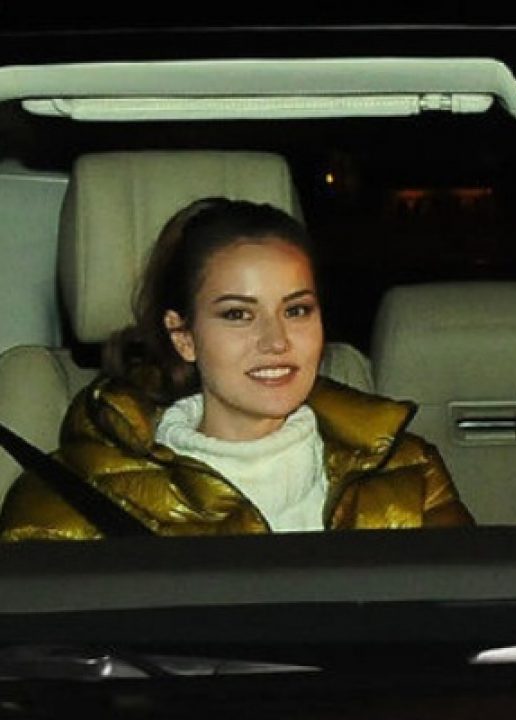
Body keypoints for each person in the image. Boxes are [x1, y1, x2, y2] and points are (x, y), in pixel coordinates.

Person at [1, 197, 474, 540]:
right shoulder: (70, 495)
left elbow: (467, 627)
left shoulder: (406, 471)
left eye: (296, 310)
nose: (276, 341)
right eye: (237, 314)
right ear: (183, 336)